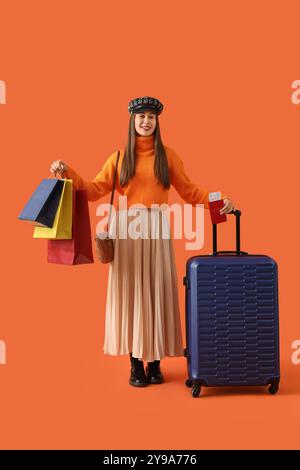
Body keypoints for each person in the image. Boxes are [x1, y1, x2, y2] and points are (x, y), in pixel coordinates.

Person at [50, 96, 235, 388]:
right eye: (141, 116)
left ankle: (155, 361)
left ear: (157, 121)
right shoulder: (120, 157)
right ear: (132, 120)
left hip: (158, 228)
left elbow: (191, 191)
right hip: (128, 231)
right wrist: (67, 173)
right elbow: (95, 188)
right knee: (133, 295)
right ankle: (136, 363)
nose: (146, 121)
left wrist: (220, 200)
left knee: (158, 291)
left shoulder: (168, 156)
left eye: (151, 116)